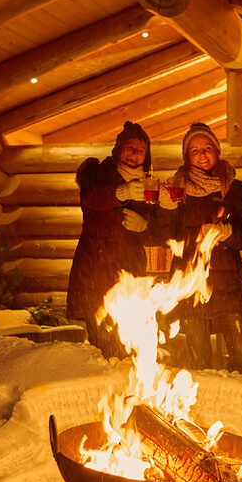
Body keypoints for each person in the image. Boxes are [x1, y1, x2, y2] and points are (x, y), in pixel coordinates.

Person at [158, 122, 242, 372]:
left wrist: (228, 233)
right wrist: (167, 208)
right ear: (187, 157)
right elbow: (164, 236)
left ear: (216, 152)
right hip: (189, 285)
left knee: (241, 356)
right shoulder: (176, 191)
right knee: (199, 362)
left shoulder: (236, 189)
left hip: (229, 286)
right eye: (195, 150)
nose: (202, 154)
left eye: (207, 148)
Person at [67, 121, 156, 358]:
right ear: (118, 149)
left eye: (140, 151)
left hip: (130, 272)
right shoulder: (97, 174)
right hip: (94, 272)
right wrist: (121, 192)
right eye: (130, 147)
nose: (134, 154)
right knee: (103, 346)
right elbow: (91, 199)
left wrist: (146, 226)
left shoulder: (149, 185)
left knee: (128, 347)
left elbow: (160, 227)